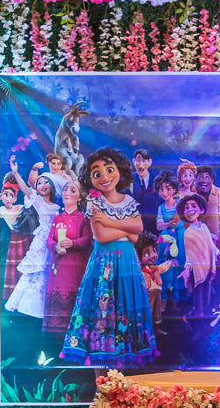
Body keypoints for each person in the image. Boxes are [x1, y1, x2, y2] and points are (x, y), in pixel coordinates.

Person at [60, 147, 155, 367]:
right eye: (97, 173)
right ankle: (101, 377)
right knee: (102, 311)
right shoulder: (94, 203)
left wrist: (110, 222)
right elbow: (101, 236)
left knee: (126, 308)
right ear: (90, 179)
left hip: (127, 264)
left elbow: (138, 228)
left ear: (120, 171)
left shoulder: (128, 200)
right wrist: (127, 232)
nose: (104, 176)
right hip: (104, 263)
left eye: (109, 170)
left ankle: (121, 379)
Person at [5, 174, 60, 320]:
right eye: (39, 183)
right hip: (42, 239)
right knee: (36, 268)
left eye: (46, 182)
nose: (43, 185)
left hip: (54, 239)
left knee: (49, 270)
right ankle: (31, 306)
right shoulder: (38, 201)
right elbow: (25, 189)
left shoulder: (57, 206)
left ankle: (48, 305)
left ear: (52, 186)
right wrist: (16, 173)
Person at [43, 178, 92, 334]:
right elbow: (49, 240)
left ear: (79, 197)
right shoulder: (57, 218)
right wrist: (55, 246)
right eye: (65, 190)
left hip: (76, 267)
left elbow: (88, 240)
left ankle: (76, 333)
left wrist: (73, 243)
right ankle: (55, 334)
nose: (67, 193)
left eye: (72, 190)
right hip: (59, 266)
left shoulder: (84, 218)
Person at [177, 193, 220, 320]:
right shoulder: (188, 233)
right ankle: (197, 327)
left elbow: (212, 247)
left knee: (206, 300)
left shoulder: (204, 227)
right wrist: (187, 270)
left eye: (193, 206)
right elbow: (189, 256)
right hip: (197, 273)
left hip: (208, 270)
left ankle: (188, 317)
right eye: (186, 207)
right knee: (199, 304)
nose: (190, 209)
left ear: (201, 209)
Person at [153, 171, 187, 310]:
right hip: (166, 241)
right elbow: (158, 225)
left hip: (180, 239)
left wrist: (176, 222)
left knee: (179, 266)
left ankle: (176, 302)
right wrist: (168, 224)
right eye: (161, 189)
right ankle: (164, 301)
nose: (164, 192)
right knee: (166, 267)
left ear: (174, 189)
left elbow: (185, 219)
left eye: (168, 188)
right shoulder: (161, 208)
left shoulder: (180, 203)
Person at [135, 231, 174, 335]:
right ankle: (147, 331)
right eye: (147, 254)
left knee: (157, 313)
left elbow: (161, 268)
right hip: (147, 297)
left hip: (157, 295)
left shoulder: (154, 268)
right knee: (148, 313)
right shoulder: (141, 271)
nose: (153, 256)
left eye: (155, 251)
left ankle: (156, 329)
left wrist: (169, 263)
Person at [130, 149, 159, 232]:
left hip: (153, 226)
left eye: (144, 161)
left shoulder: (156, 180)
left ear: (149, 162)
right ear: (134, 161)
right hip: (134, 226)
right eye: (138, 160)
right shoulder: (128, 179)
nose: (141, 164)